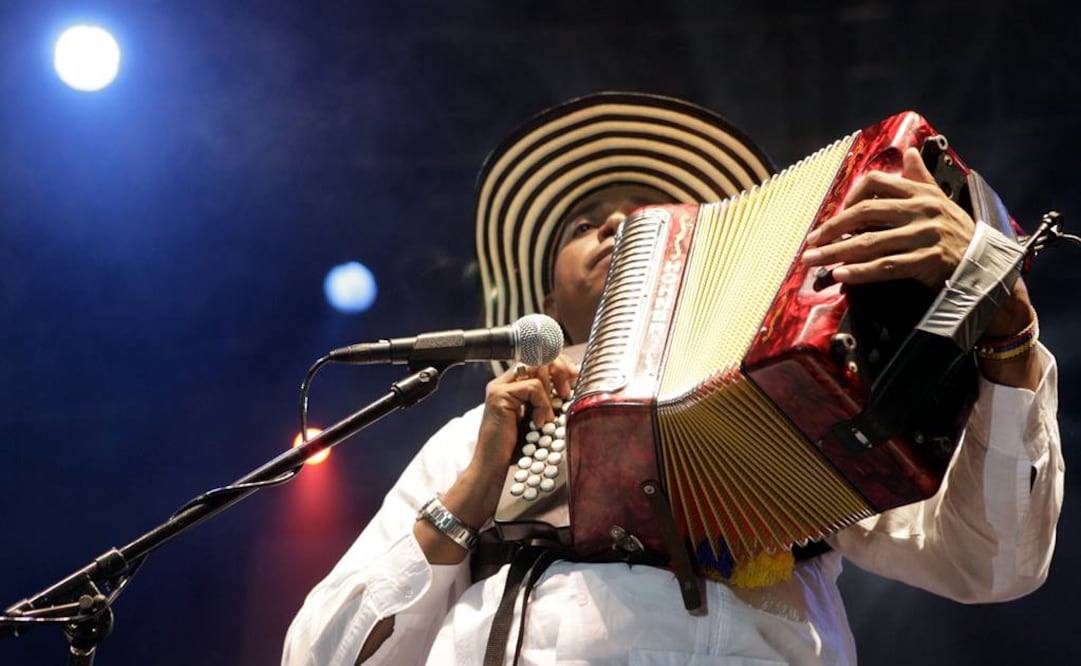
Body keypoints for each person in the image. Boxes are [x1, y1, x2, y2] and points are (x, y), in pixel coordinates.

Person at [281, 93, 1063, 665]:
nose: (619, 223)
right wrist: (471, 494)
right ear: (545, 297)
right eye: (586, 221)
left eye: (652, 213)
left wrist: (1008, 342)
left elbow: (989, 565)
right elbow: (321, 658)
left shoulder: (808, 399)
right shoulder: (471, 440)